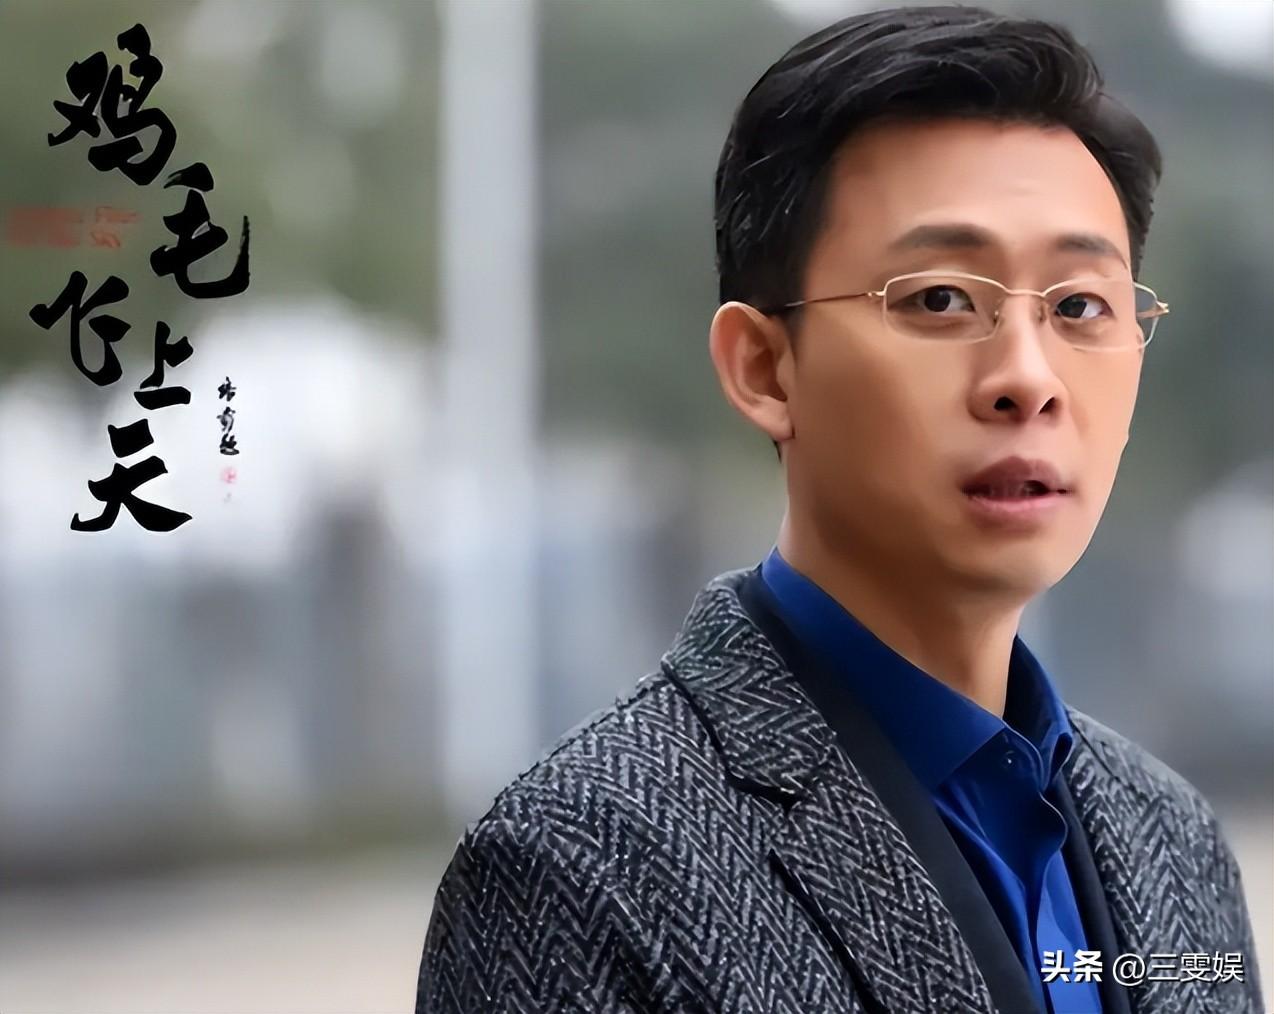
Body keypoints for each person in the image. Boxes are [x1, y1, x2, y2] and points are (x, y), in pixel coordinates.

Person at [415, 6, 1264, 1012]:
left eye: (1079, 306)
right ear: (763, 368)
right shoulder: (579, 871)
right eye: (940, 299)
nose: (1027, 380)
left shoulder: (1172, 842)